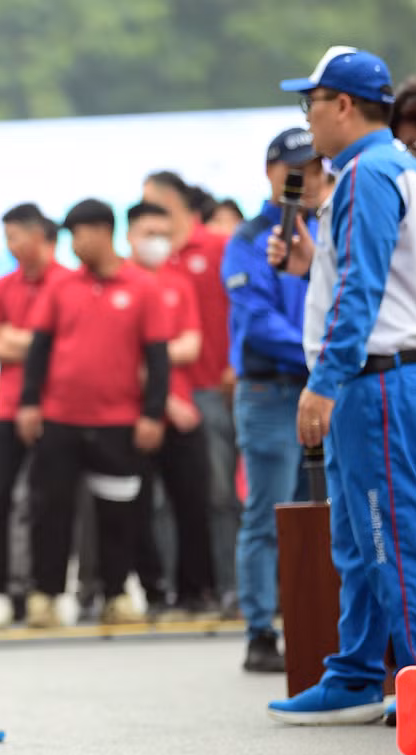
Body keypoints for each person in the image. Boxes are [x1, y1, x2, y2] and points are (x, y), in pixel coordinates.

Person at [267, 47, 416, 724]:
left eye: (309, 102)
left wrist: (326, 380)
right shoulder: (406, 170)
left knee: (393, 538)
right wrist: (313, 265)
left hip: (376, 381)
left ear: (342, 104)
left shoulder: (368, 173)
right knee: (366, 536)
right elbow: (389, 279)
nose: (306, 118)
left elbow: (365, 292)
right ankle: (357, 673)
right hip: (396, 375)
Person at [17, 199, 170, 626]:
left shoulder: (142, 286)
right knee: (51, 510)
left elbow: (157, 358)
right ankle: (45, 597)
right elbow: (38, 350)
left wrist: (152, 415)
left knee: (119, 514)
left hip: (118, 423)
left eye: (79, 233)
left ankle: (116, 594)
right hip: (60, 420)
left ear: (103, 231)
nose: (74, 244)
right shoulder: (60, 287)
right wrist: (29, 404)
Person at [222, 127, 326, 674]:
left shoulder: (328, 227)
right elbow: (256, 322)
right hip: (271, 389)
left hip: (320, 385)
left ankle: (314, 620)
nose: (309, 179)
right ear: (273, 172)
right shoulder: (250, 236)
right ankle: (260, 630)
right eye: (299, 169)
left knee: (321, 513)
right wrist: (319, 355)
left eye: (316, 167)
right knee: (266, 514)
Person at [143, 170, 238, 613]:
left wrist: (237, 364)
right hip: (166, 394)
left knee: (220, 494)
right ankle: (176, 588)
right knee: (165, 501)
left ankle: (228, 585)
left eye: (151, 203)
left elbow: (245, 306)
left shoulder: (218, 247)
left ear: (171, 202)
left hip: (213, 387)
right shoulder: (152, 266)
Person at [0, 204, 71, 629]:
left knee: (50, 502)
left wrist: (15, 339)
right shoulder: (2, 286)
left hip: (57, 410)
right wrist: (36, 342)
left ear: (38, 236)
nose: (10, 246)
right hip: (7, 411)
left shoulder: (68, 285)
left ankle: (45, 593)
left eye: (15, 236)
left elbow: (68, 348)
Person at [125, 200, 217, 618]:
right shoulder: (122, 284)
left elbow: (190, 345)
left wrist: (152, 356)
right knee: (139, 509)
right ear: (129, 236)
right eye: (148, 234)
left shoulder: (178, 282)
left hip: (184, 413)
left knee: (193, 503)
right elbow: (120, 356)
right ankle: (155, 591)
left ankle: (196, 590)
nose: (157, 243)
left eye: (164, 234)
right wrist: (161, 396)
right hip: (136, 413)